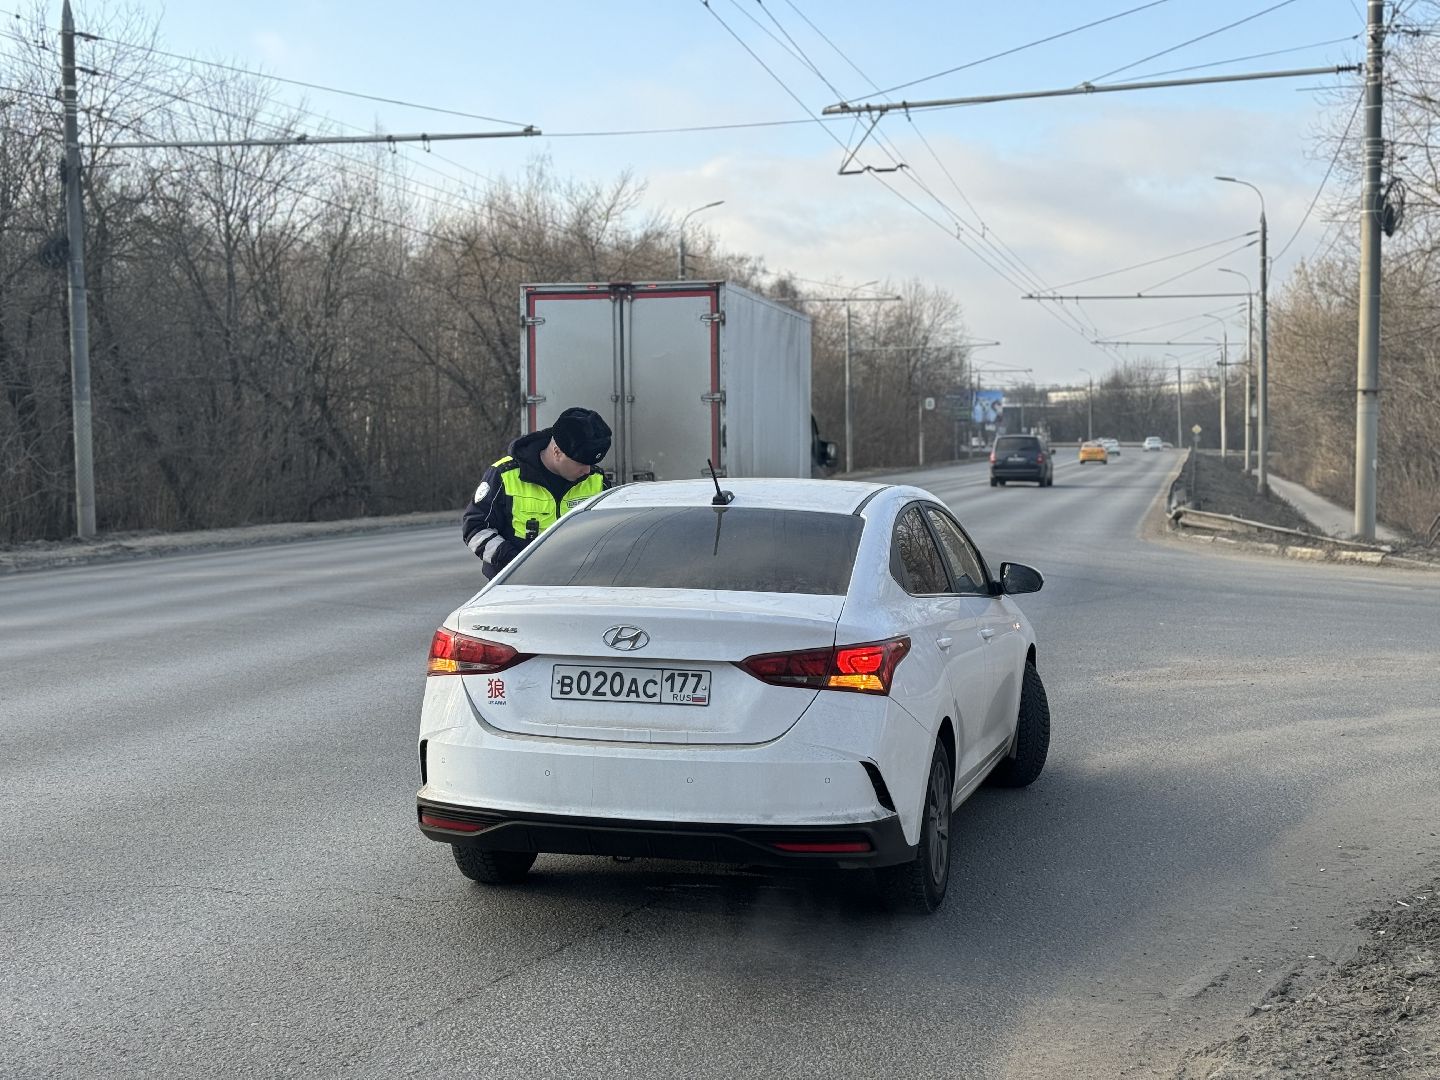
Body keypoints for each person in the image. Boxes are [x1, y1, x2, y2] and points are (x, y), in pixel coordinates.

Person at [462, 407, 612, 578]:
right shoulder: (504, 475)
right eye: (581, 463)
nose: (587, 471)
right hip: (517, 584)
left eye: (591, 464)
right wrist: (515, 562)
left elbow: (612, 532)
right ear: (557, 452)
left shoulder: (596, 480)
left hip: (579, 582)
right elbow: (475, 528)